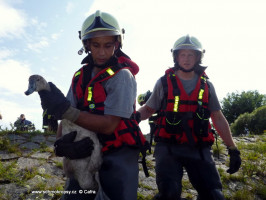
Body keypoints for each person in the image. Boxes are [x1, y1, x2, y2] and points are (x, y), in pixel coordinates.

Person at [38, 10, 149, 200]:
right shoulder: (79, 77)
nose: (102, 52)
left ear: (117, 43)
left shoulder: (123, 76)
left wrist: (67, 110)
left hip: (118, 152)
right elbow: (65, 118)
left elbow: (109, 125)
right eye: (96, 45)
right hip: (85, 148)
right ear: (86, 44)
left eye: (108, 45)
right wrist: (59, 145)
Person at [137, 35, 241, 200]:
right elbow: (149, 109)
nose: (186, 59)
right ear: (176, 57)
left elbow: (217, 117)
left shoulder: (207, 85)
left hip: (198, 148)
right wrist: (132, 119)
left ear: (198, 57)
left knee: (214, 196)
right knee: (169, 194)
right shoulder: (163, 82)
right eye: (182, 55)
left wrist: (233, 149)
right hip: (168, 148)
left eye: (191, 54)